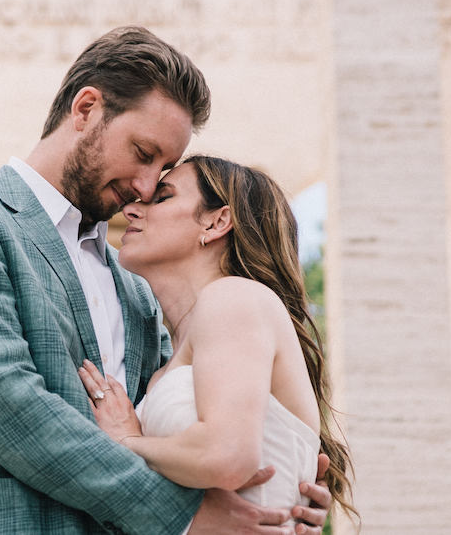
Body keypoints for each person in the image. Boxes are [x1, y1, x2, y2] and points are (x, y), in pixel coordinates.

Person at [0, 27, 333, 534]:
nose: (145, 187)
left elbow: (184, 438)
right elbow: (7, 407)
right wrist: (187, 518)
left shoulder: (139, 288)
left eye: (166, 170)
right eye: (143, 152)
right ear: (85, 110)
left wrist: (279, 495)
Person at [77, 156, 355, 526]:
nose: (131, 209)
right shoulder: (174, 351)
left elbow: (228, 456)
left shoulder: (234, 298)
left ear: (216, 221)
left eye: (162, 198)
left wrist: (126, 441)